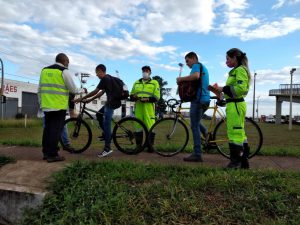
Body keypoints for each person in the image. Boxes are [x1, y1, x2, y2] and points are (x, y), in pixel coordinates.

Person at [38, 53, 85, 163]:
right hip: (58, 106)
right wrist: (83, 90)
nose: (68, 64)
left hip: (46, 105)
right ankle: (53, 155)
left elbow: (39, 89)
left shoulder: (44, 71)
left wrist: (41, 104)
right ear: (64, 61)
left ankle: (46, 152)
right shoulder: (63, 71)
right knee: (55, 130)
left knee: (48, 129)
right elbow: (73, 89)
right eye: (68, 62)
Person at [74, 64, 121, 158]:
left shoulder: (105, 79)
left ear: (100, 71)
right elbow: (101, 93)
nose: (96, 75)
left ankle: (107, 148)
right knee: (98, 115)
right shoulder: (108, 79)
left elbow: (96, 91)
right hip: (112, 102)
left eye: (97, 73)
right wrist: (90, 100)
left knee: (107, 123)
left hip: (112, 103)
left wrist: (82, 98)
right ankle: (107, 134)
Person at [215, 48, 251, 169]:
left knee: (235, 134)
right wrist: (222, 97)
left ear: (235, 58)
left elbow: (241, 89)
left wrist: (223, 88)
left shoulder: (240, 70)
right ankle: (243, 162)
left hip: (236, 105)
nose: (226, 62)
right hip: (233, 104)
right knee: (239, 133)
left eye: (228, 59)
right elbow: (234, 91)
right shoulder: (236, 71)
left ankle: (235, 162)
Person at [176, 52, 210, 162]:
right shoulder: (203, 67)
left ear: (194, 58)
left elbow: (195, 76)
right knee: (196, 122)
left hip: (198, 100)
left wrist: (181, 79)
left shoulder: (196, 65)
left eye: (187, 61)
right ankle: (207, 135)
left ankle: (197, 153)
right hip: (204, 99)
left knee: (194, 126)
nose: (187, 64)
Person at [130, 66, 160, 152]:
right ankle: (138, 146)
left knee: (150, 127)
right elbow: (131, 96)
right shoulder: (136, 82)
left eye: (147, 71)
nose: (145, 72)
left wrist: (147, 99)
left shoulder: (155, 83)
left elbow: (157, 97)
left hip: (149, 109)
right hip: (138, 108)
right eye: (143, 71)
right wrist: (134, 97)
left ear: (150, 72)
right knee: (137, 127)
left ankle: (150, 146)